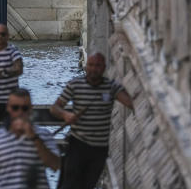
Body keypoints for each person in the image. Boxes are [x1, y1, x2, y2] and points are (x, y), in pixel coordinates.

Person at [51, 53, 134, 189]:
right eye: (91, 65)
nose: (93, 69)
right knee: (69, 184)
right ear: (86, 66)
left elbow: (130, 103)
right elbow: (55, 108)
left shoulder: (111, 87)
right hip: (77, 145)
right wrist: (65, 114)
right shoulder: (75, 85)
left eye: (97, 66)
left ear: (104, 68)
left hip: (99, 149)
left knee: (87, 185)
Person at [0, 88, 60, 188]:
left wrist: (33, 137)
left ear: (30, 109)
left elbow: (55, 165)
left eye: (24, 108)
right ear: (8, 108)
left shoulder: (43, 134)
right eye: (15, 108)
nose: (20, 112)